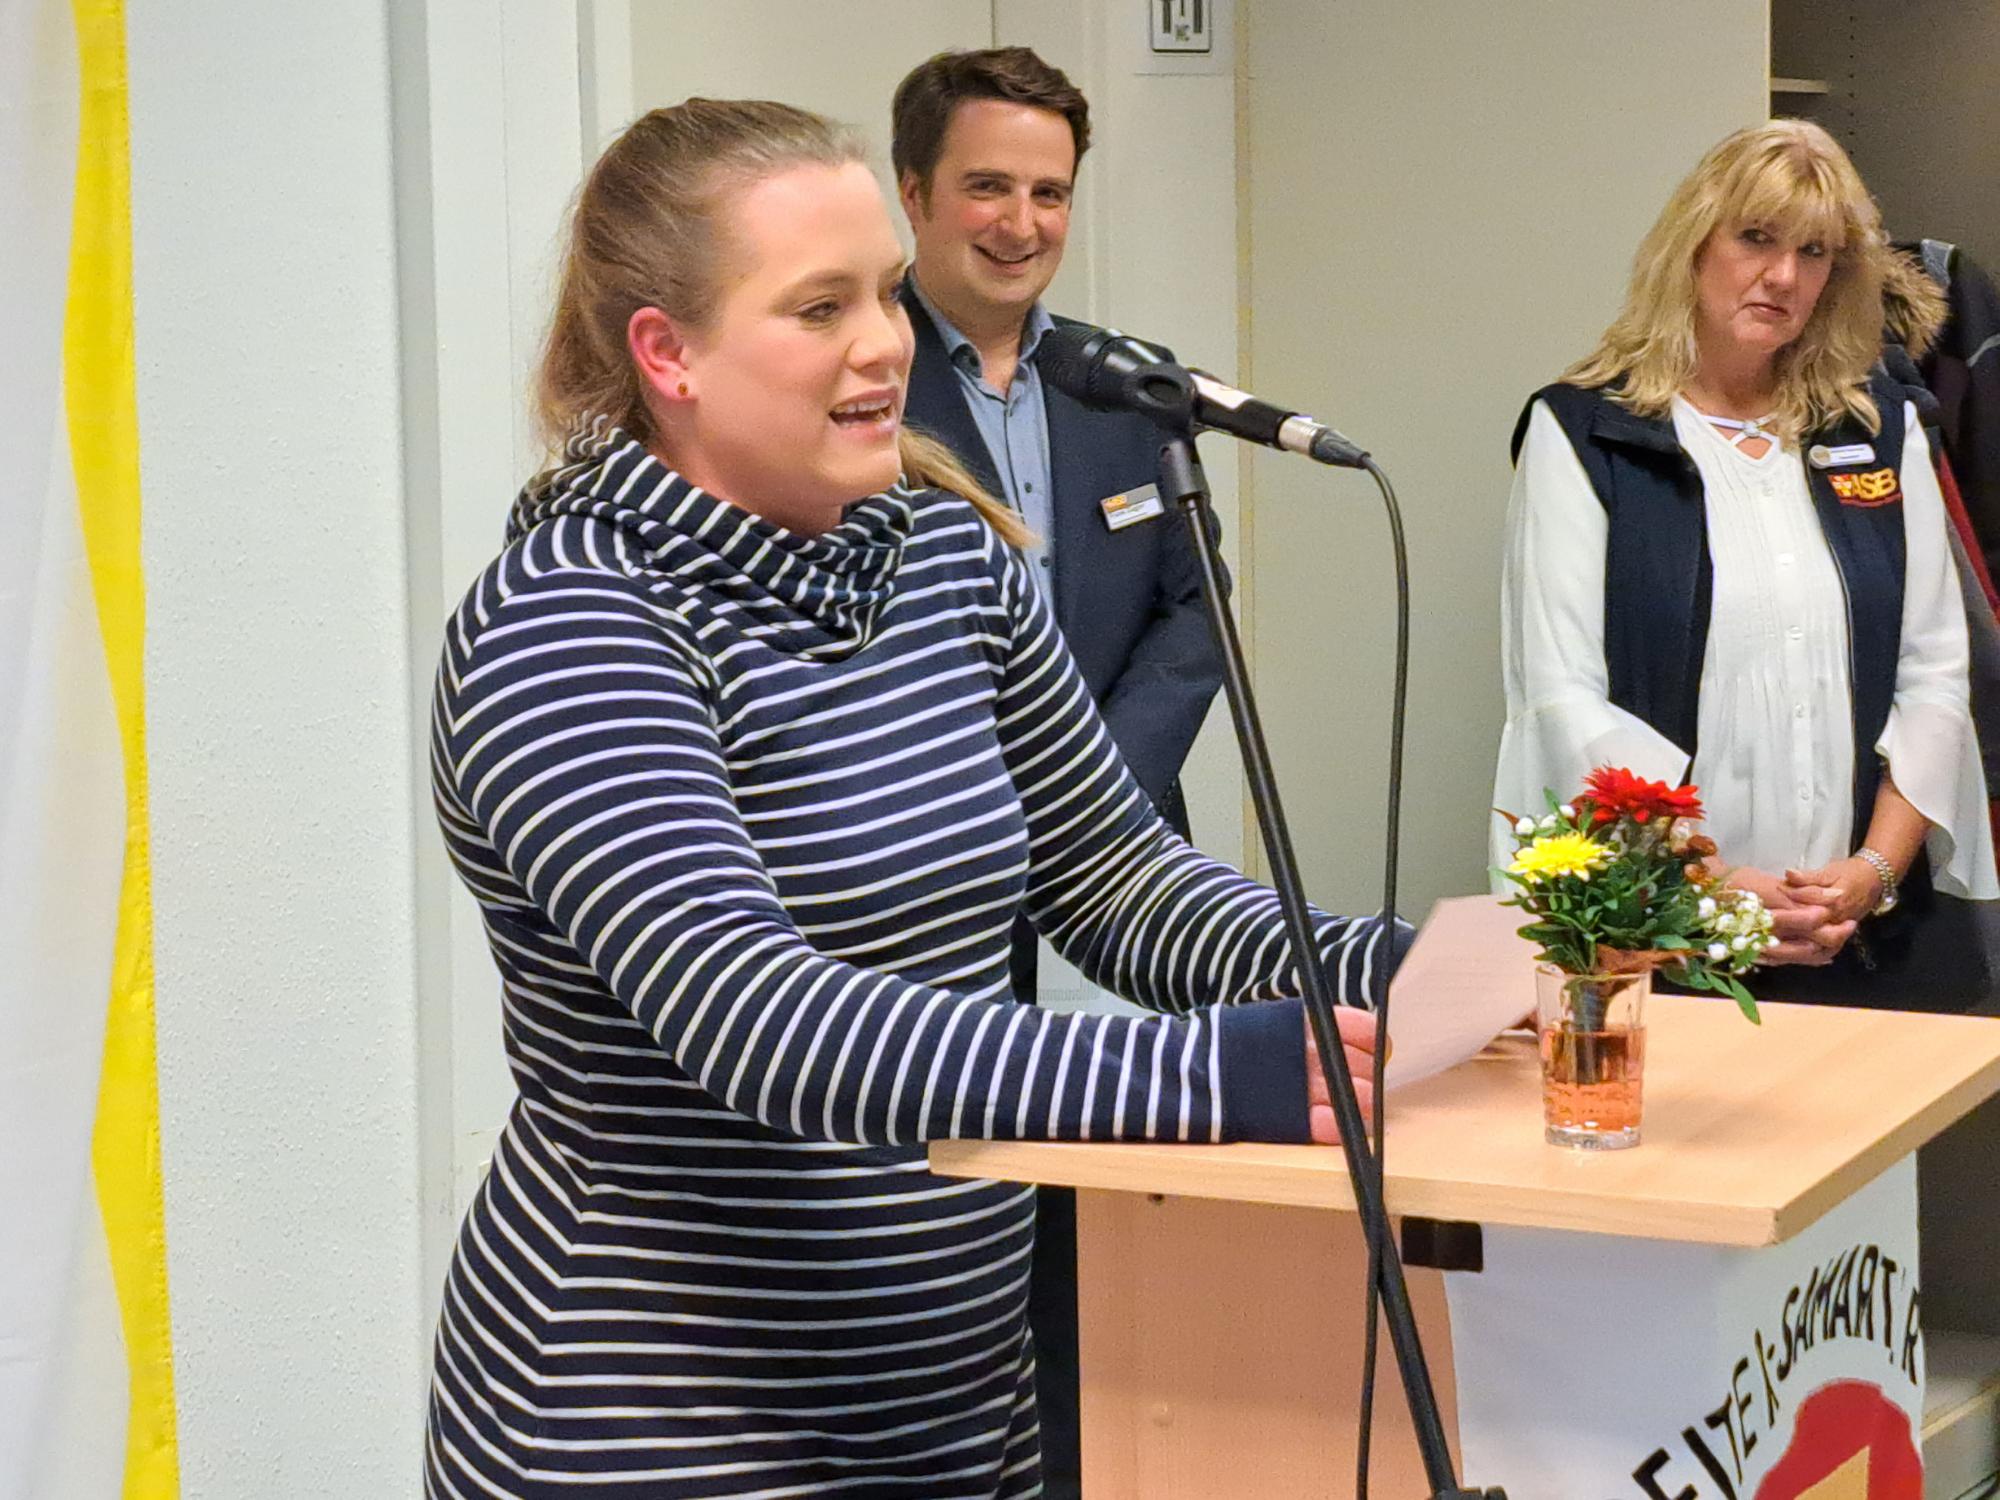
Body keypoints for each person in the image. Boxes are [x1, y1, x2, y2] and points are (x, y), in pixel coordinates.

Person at [422, 99, 1392, 1500]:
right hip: (655, 1423)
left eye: (882, 291)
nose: (884, 343)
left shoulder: (941, 555)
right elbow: (762, 1022)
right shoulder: (573, 626)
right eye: (819, 308)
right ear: (666, 353)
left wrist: (1399, 972)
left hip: (953, 1403)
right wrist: (1207, 1078)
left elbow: (1115, 885)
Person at [889, 51, 1230, 1490]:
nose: (1020, 223)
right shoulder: (858, 382)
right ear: (913, 192)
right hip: (934, 868)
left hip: (1114, 865)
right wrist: (1002, 803)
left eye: (1049, 192)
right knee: (967, 1205)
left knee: (1117, 1225)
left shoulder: (1121, 384)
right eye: (986, 186)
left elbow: (1192, 618)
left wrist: (1084, 791)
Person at [1494, 119, 1998, 1010]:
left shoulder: (1879, 429)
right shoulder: (1587, 433)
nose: (1784, 277)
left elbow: (1934, 672)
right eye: (1756, 239)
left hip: (1869, 935)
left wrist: (1873, 871)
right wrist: (1711, 885)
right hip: (1658, 937)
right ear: (1693, 246)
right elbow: (1562, 696)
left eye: (1815, 253)